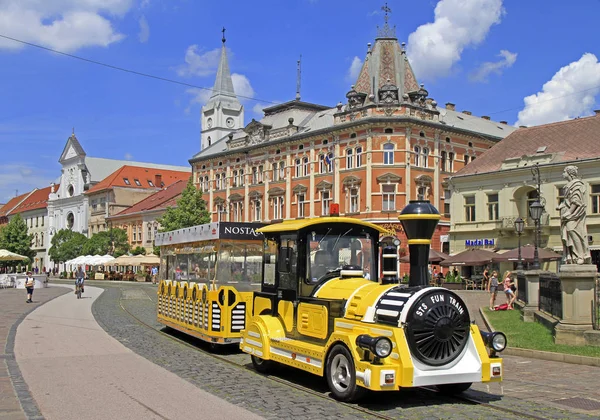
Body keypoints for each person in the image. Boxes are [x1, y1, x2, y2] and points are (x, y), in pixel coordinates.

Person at [557, 165, 591, 265]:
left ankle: (581, 255)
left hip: (575, 214)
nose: (562, 174)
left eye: (564, 172)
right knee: (567, 234)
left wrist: (569, 212)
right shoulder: (568, 185)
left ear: (569, 173)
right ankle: (572, 256)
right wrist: (561, 205)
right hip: (567, 213)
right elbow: (568, 200)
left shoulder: (577, 184)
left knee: (573, 230)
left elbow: (576, 200)